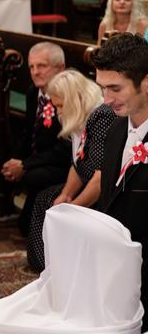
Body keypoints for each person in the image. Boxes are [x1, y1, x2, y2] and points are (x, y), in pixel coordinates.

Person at [26, 69, 116, 271]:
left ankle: (55, 267)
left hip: (103, 192)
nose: (58, 112)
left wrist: (72, 207)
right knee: (47, 199)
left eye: (60, 106)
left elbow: (100, 178)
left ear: (74, 100)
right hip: (87, 183)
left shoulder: (101, 116)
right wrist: (65, 195)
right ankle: (48, 266)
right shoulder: (80, 116)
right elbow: (78, 163)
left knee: (54, 208)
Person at [93, 32, 148, 331]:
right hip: (116, 278)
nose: (106, 100)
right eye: (102, 88)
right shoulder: (114, 130)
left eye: (115, 88)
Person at [2, 42, 71, 235]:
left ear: (60, 68)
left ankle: (45, 222)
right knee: (3, 159)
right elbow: (28, 131)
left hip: (62, 162)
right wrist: (15, 160)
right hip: (40, 157)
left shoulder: (68, 97)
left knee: (34, 177)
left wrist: (25, 165)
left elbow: (64, 149)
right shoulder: (33, 92)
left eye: (42, 66)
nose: (35, 72)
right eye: (31, 66)